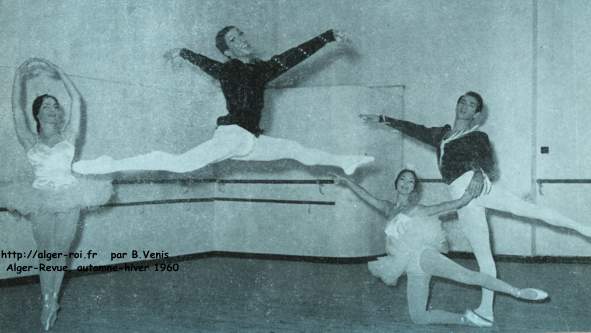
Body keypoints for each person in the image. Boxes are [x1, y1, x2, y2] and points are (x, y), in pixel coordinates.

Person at [359, 91, 591, 323]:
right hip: (461, 197)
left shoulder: (478, 135)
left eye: (471, 105)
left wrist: (480, 174)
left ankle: (583, 228)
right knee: (483, 254)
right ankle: (486, 311)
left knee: (527, 209)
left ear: (477, 114)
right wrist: (382, 119)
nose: (464, 107)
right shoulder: (441, 134)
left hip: (479, 187)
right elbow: (414, 128)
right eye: (462, 102)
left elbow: (488, 164)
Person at [72, 27, 373, 175]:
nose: (242, 39)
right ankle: (107, 164)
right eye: (233, 40)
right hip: (232, 136)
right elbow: (207, 64)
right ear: (228, 52)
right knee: (180, 164)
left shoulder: (263, 68)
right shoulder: (230, 69)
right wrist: (183, 52)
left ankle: (345, 162)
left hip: (250, 141)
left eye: (241, 34)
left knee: (296, 150)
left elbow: (294, 55)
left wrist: (328, 36)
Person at [333, 170, 548, 327]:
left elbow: (455, 204)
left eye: (411, 181)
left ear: (414, 188)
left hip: (423, 256)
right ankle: (467, 319)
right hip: (410, 267)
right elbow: (365, 195)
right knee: (418, 317)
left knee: (467, 276)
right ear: (396, 182)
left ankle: (517, 292)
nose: (406, 183)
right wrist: (346, 181)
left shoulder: (420, 208)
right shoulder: (388, 208)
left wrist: (471, 191)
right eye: (403, 179)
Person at [0, 58, 112, 330]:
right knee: (45, 253)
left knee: (59, 253)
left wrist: (59, 72)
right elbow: (15, 107)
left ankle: (51, 300)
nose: (52, 109)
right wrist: (18, 75)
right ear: (37, 114)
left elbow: (76, 101)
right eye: (46, 106)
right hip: (39, 198)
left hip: (68, 196)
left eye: (54, 105)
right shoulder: (29, 139)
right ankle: (47, 298)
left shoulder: (69, 136)